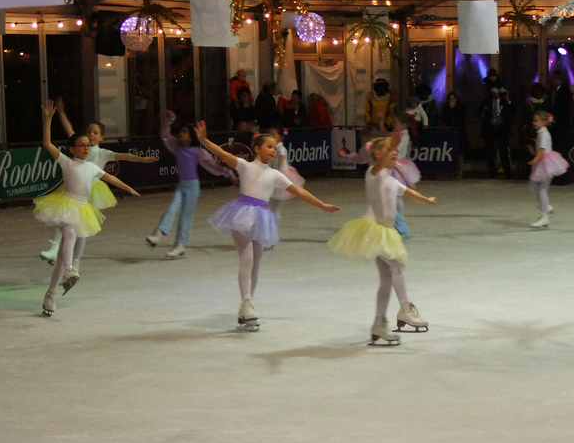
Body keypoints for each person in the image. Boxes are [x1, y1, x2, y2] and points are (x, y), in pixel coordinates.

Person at [194, 120, 339, 331]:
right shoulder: (245, 166)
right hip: (242, 214)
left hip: (261, 217)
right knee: (247, 257)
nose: (273, 150)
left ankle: (247, 305)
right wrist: (204, 140)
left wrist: (321, 205)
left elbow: (299, 191)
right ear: (257, 148)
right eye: (269, 147)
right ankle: (246, 301)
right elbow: (222, 154)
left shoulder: (275, 175)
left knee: (256, 262)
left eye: (274, 147)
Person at [327, 133, 437, 346]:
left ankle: (379, 323)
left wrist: (426, 200)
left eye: (394, 150)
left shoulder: (390, 179)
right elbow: (376, 167)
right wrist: (380, 158)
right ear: (378, 154)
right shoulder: (373, 173)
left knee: (387, 278)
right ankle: (405, 308)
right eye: (389, 149)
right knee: (398, 266)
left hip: (385, 231)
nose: (394, 152)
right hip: (375, 231)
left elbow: (407, 192)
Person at [33, 100, 140, 316]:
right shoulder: (66, 162)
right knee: (70, 234)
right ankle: (70, 270)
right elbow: (47, 143)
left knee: (63, 254)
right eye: (82, 145)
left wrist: (128, 188)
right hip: (65, 206)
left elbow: (110, 178)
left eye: (88, 145)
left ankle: (51, 294)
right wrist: (48, 120)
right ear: (72, 149)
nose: (86, 148)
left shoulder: (91, 166)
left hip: (82, 209)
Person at [39, 98, 157, 266]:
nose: (91, 135)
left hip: (92, 191)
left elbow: (125, 156)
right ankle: (54, 248)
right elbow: (69, 130)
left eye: (95, 133)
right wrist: (62, 113)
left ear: (102, 137)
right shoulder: (80, 146)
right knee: (63, 218)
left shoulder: (103, 153)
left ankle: (75, 260)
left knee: (81, 228)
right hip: (74, 188)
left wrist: (142, 159)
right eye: (89, 132)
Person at [146, 110, 233, 258]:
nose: (181, 134)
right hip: (182, 186)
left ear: (191, 137)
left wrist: (228, 173)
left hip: (193, 188)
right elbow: (165, 134)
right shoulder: (176, 146)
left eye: (185, 132)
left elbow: (212, 165)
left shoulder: (198, 152)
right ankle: (157, 234)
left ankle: (180, 245)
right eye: (181, 131)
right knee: (171, 208)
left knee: (185, 217)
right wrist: (171, 119)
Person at [527, 110, 569, 229]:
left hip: (546, 163)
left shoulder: (544, 133)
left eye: (536, 121)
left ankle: (545, 216)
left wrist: (535, 159)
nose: (534, 122)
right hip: (543, 162)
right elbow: (540, 149)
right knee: (534, 186)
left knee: (542, 189)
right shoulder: (541, 132)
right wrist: (533, 152)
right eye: (534, 120)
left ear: (544, 122)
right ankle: (546, 207)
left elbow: (542, 150)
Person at [480, 82, 513, 178]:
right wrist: (484, 111)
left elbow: (512, 111)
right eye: (494, 93)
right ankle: (491, 172)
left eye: (497, 93)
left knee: (504, 151)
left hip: (502, 129)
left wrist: (507, 99)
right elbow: (479, 113)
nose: (496, 95)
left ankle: (508, 172)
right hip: (490, 129)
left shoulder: (504, 102)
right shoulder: (487, 101)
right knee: (490, 152)